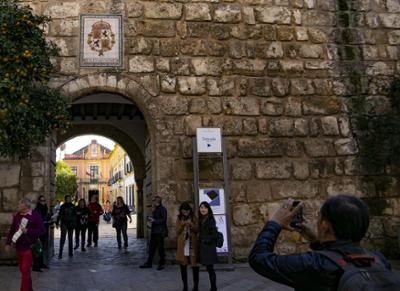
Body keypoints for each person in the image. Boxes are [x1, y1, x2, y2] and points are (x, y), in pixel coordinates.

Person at [248, 195, 397, 291]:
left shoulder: (312, 264)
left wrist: (274, 223)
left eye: (320, 217)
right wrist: (317, 241)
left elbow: (259, 259)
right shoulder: (378, 259)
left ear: (324, 225)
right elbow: (343, 258)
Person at [5, 198, 45, 291]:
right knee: (24, 273)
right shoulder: (17, 216)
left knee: (25, 271)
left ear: (25, 206)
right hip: (18, 248)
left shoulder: (35, 216)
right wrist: (8, 243)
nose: (17, 206)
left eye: (19, 204)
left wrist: (28, 231)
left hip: (29, 249)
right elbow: (12, 230)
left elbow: (42, 230)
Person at [140, 195, 168, 270]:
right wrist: (150, 218)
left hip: (159, 231)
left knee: (160, 249)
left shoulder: (162, 209)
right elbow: (155, 218)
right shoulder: (156, 209)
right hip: (154, 231)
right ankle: (149, 263)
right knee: (151, 248)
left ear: (157, 201)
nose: (153, 202)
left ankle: (161, 264)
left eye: (154, 201)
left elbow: (163, 219)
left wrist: (154, 221)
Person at [176, 202, 199, 291]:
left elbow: (197, 230)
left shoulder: (193, 217)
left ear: (190, 210)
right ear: (181, 210)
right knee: (183, 266)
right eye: (184, 210)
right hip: (183, 246)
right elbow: (177, 232)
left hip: (192, 245)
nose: (186, 212)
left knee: (194, 265)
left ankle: (195, 287)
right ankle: (185, 286)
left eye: (187, 210)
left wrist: (191, 224)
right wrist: (182, 225)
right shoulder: (178, 218)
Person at [198, 201, 218, 291]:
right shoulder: (201, 219)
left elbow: (214, 235)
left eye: (205, 208)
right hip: (204, 248)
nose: (203, 209)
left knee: (210, 269)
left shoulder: (210, 220)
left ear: (208, 209)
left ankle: (214, 288)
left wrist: (205, 240)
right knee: (209, 268)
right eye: (201, 207)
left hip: (209, 248)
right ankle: (213, 287)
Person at [33, 195, 51, 272]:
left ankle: (41, 263)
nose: (43, 202)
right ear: (39, 201)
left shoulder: (45, 208)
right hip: (39, 231)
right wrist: (46, 221)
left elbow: (45, 218)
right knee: (38, 248)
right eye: (41, 200)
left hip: (44, 230)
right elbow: (38, 221)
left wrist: (50, 218)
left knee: (42, 247)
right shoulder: (37, 209)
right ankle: (36, 266)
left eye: (44, 200)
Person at [56, 194, 77, 259]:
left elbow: (75, 215)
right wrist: (57, 223)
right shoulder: (62, 206)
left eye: (69, 198)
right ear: (65, 199)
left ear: (70, 199)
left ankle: (70, 253)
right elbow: (59, 215)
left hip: (70, 224)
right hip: (64, 223)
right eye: (67, 198)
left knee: (70, 239)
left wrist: (74, 223)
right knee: (62, 238)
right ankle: (60, 253)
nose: (68, 199)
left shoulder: (73, 206)